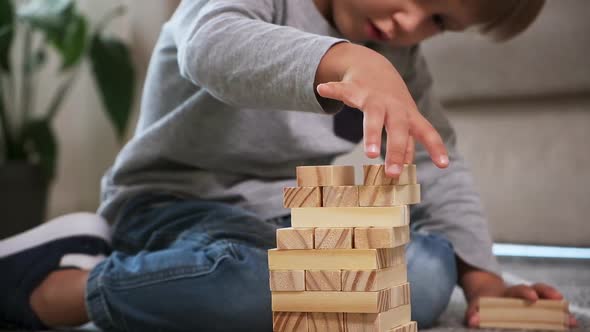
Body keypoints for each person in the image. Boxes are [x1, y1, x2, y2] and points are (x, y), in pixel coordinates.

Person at [0, 0, 578, 330]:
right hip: (173, 202)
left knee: (424, 277)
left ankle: (187, 277)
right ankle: (72, 287)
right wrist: (343, 62)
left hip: (285, 222)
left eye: (439, 21)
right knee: (250, 278)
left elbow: (436, 166)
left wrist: (486, 284)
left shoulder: (399, 58)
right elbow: (212, 47)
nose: (410, 23)